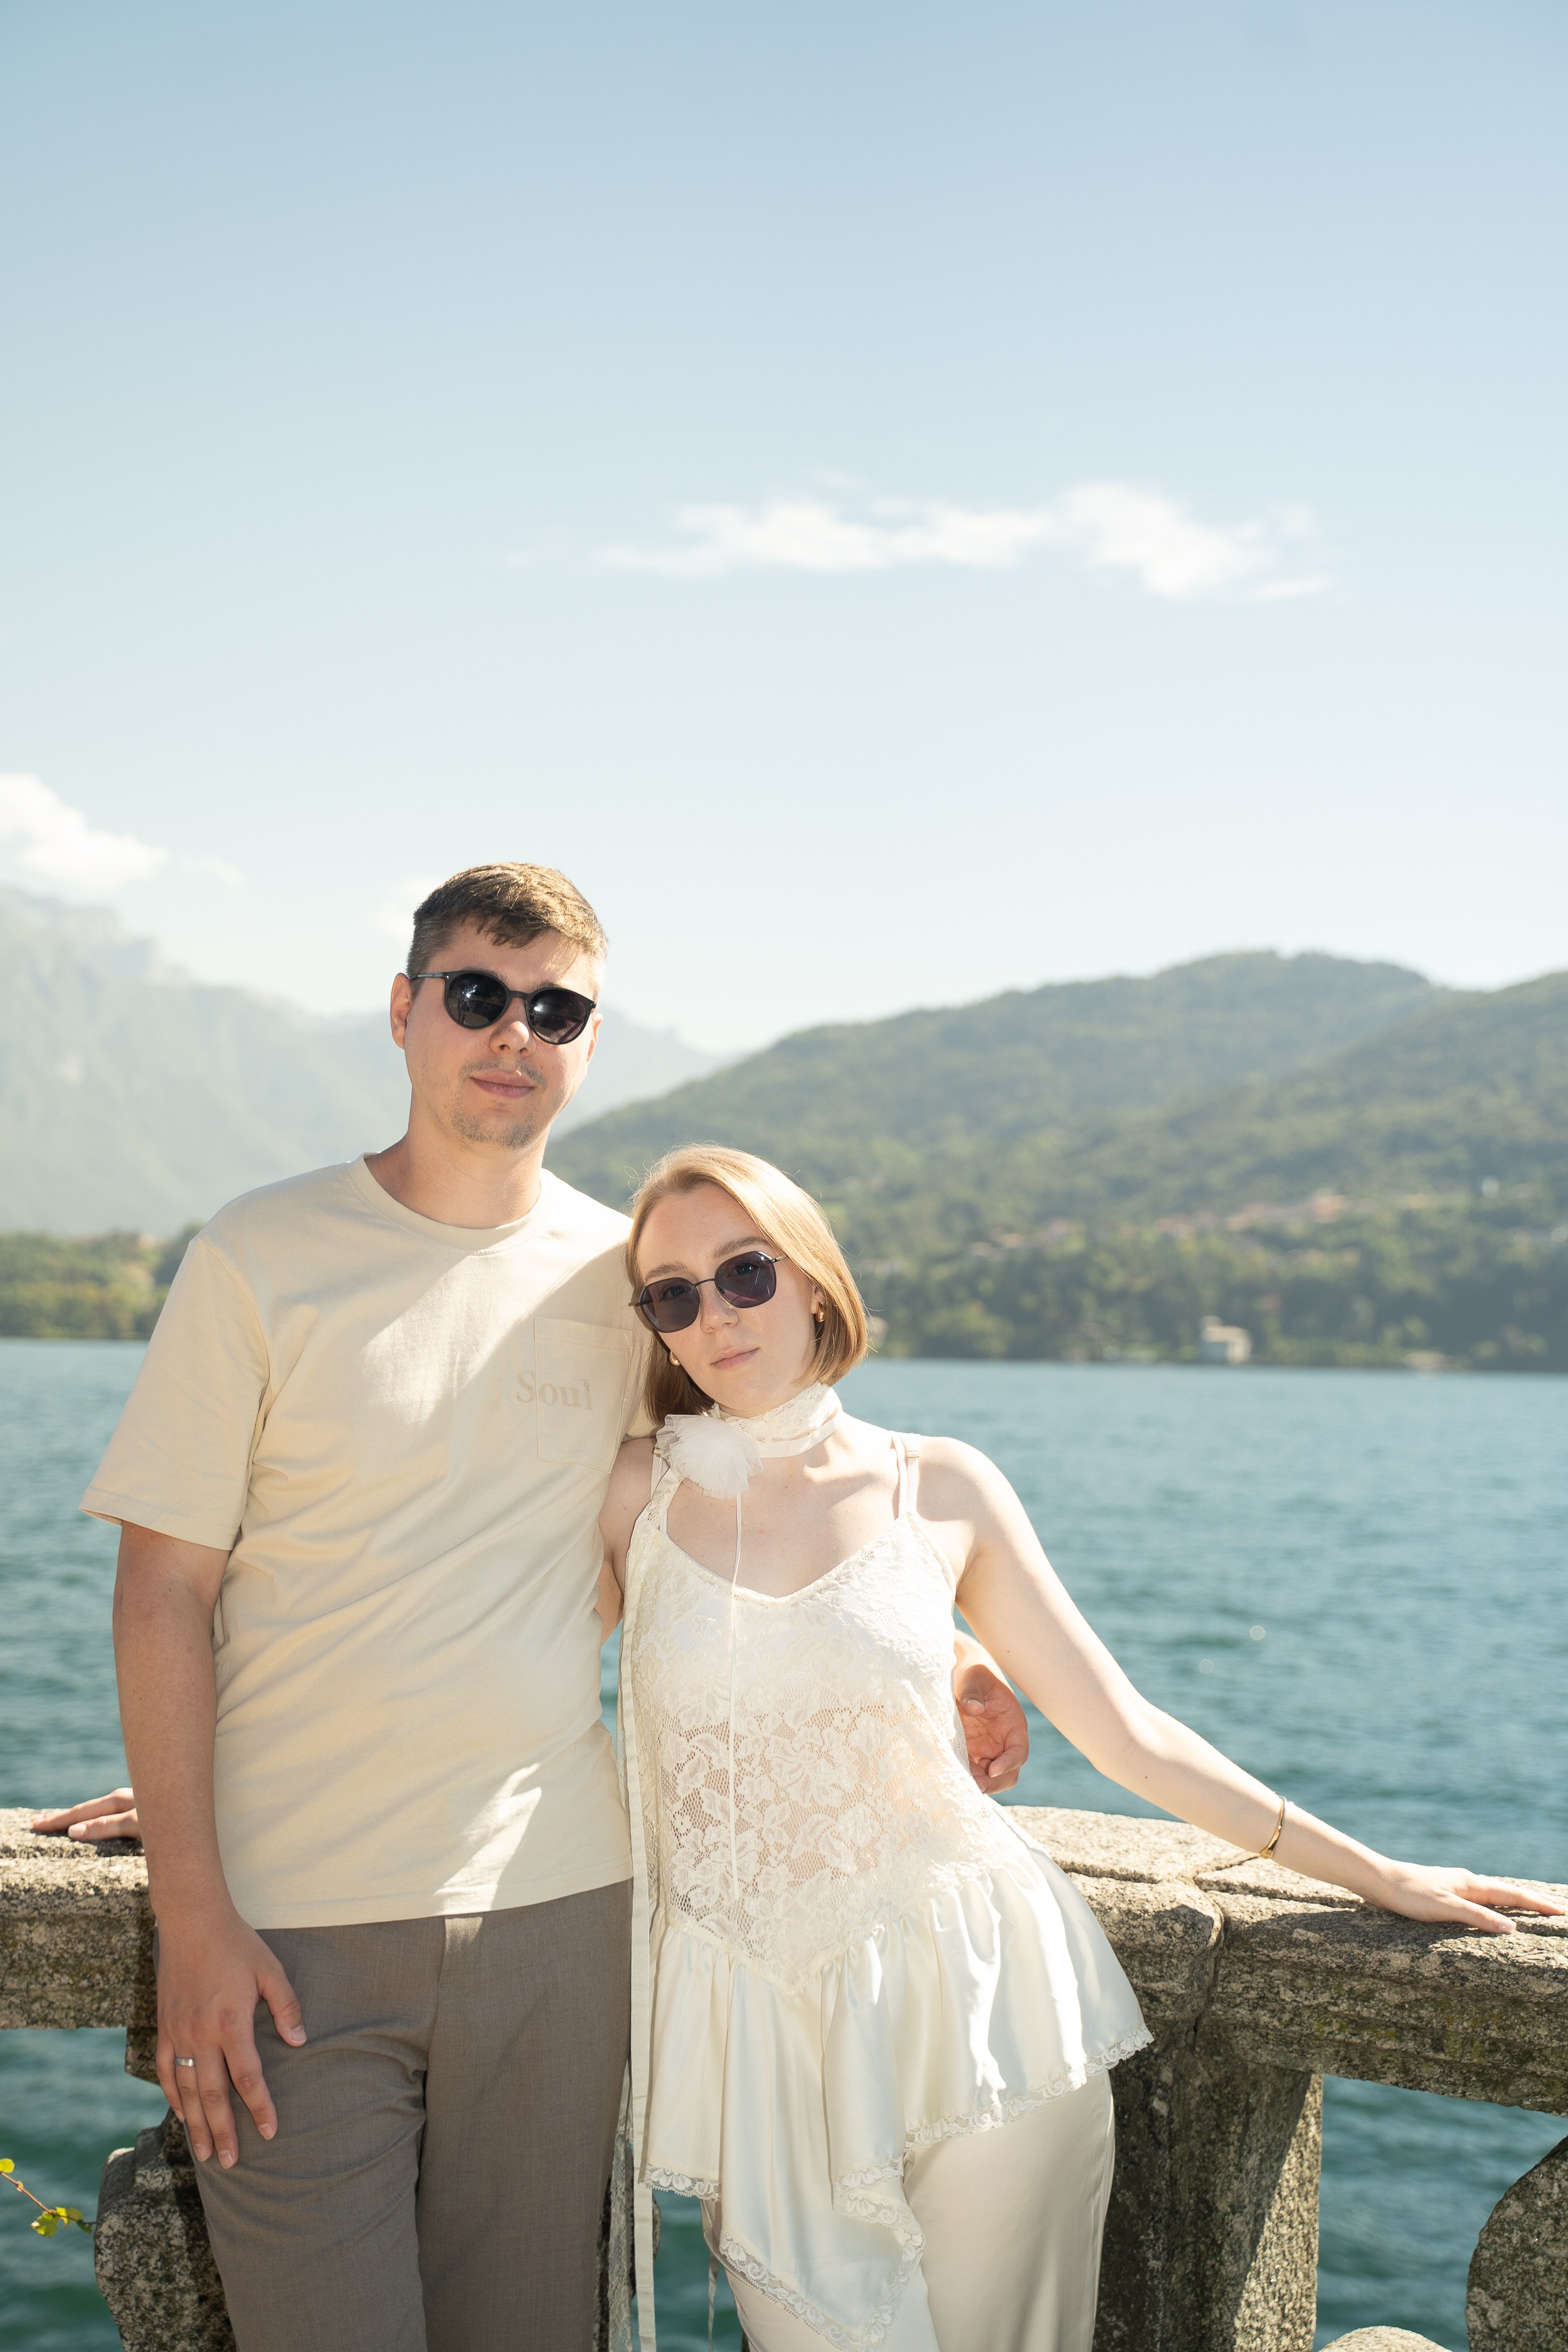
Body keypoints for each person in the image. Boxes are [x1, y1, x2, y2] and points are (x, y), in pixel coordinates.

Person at [35, 862, 1027, 2352]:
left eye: (552, 1007)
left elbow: (749, 1495)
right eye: (478, 995)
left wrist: (940, 1647)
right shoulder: (257, 1253)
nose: (512, 1032)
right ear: (404, 1010)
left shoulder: (626, 1282)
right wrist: (191, 1893)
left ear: (586, 1039)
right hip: (295, 1930)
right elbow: (165, 1587)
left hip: (564, 1921)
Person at [598, 1143, 1565, 2352]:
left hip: (986, 2001)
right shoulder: (631, 1491)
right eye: (672, 1294)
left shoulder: (938, 1485)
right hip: (760, 2028)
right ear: (656, 1331)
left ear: (813, 1282)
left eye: (743, 1271)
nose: (715, 1313)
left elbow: (1128, 1731)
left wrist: (1378, 1874)